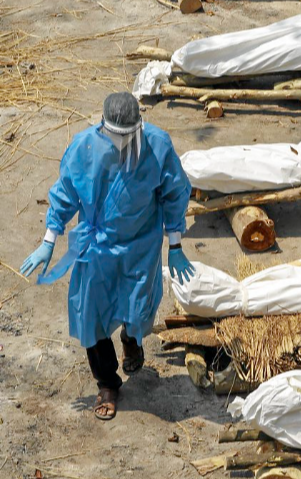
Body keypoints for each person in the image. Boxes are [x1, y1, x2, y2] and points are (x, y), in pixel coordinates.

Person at [20, 92, 195, 420]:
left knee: (140, 310)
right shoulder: (84, 147)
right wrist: (48, 239)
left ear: (139, 126)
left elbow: (174, 194)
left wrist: (175, 246)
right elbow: (65, 193)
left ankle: (132, 338)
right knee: (93, 316)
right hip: (97, 249)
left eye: (129, 135)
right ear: (103, 126)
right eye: (115, 134)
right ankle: (107, 382)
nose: (121, 142)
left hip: (140, 246)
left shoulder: (158, 146)